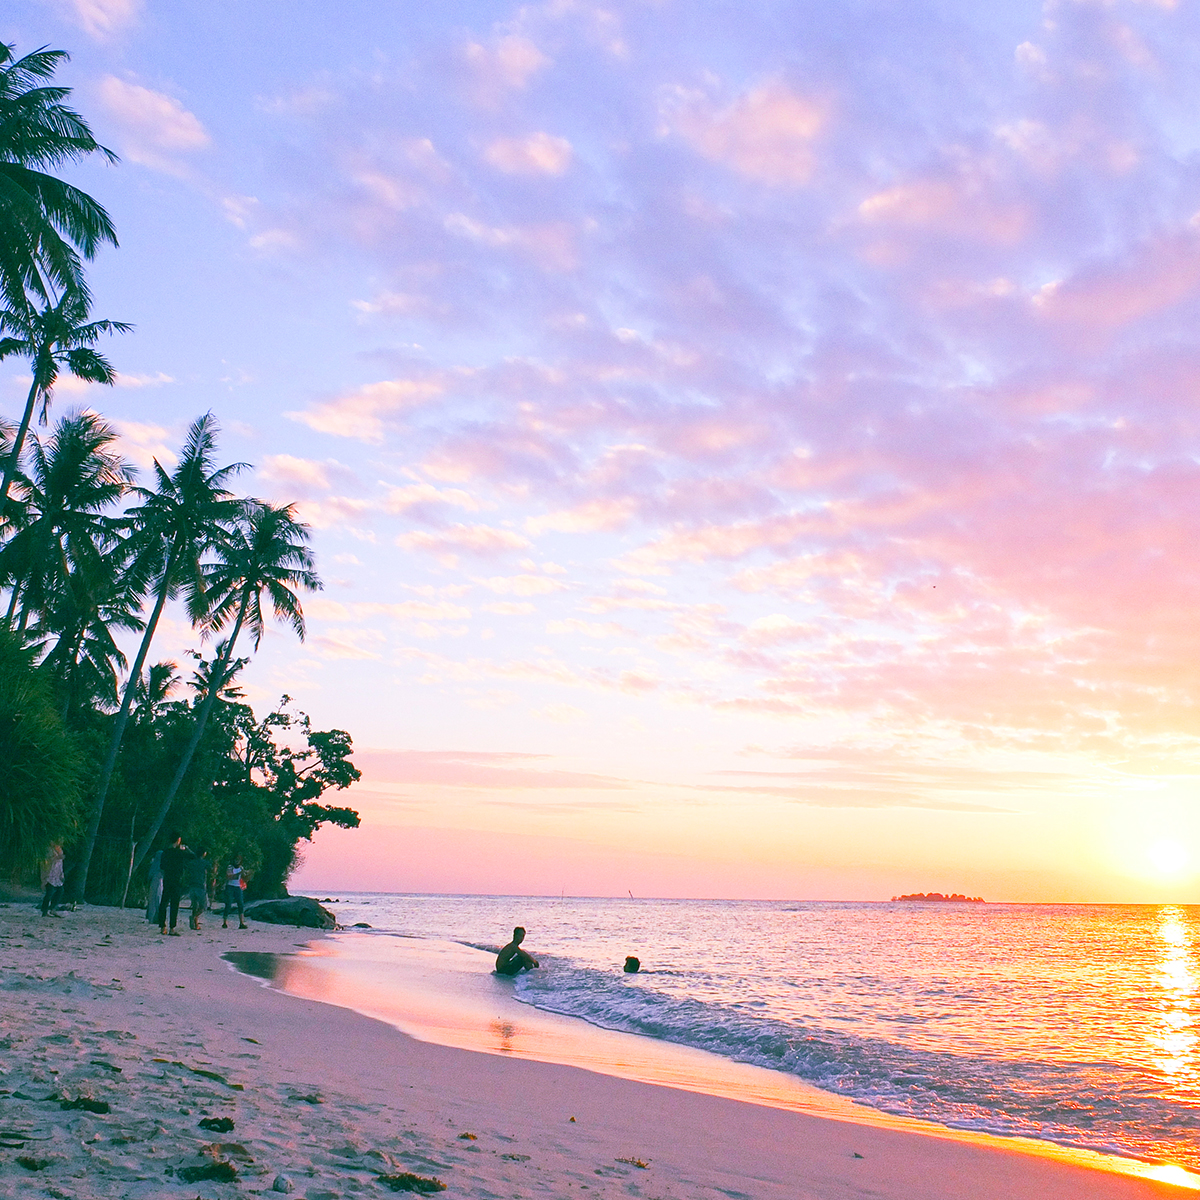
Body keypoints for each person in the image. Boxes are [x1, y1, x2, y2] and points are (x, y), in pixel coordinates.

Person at [157, 832, 193, 937]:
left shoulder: (165, 852)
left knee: (163, 903)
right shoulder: (180, 852)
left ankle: (162, 926)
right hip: (177, 879)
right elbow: (193, 856)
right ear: (178, 840)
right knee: (174, 904)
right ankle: (172, 928)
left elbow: (162, 866)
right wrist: (185, 849)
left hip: (167, 878)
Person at [185, 849, 210, 931]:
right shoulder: (204, 863)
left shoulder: (191, 863)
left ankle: (195, 923)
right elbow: (212, 869)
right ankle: (194, 917)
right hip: (200, 885)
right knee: (203, 906)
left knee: (194, 905)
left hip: (192, 885)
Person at [223, 856, 248, 930]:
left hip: (238, 886)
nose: (237, 861)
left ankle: (241, 922)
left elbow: (243, 877)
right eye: (236, 859)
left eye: (238, 860)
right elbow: (229, 876)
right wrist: (239, 873)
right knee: (228, 904)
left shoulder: (241, 868)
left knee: (241, 904)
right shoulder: (230, 867)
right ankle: (225, 922)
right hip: (230, 886)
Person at [41, 844, 65, 918]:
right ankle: (45, 911)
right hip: (49, 875)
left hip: (57, 875)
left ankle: (53, 908)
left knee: (59, 891)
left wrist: (62, 875)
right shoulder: (48, 850)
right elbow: (47, 861)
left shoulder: (59, 850)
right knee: (49, 893)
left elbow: (60, 864)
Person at [145, 848, 163, 923]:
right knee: (157, 899)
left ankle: (151, 917)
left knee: (152, 899)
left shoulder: (154, 864)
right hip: (158, 881)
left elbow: (150, 874)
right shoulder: (160, 865)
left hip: (153, 881)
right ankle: (155, 918)